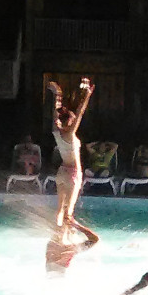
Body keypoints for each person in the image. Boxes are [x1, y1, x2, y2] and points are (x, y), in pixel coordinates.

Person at [49, 78, 95, 229]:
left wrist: (57, 95)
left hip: (61, 172)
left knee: (60, 209)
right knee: (69, 212)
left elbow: (55, 114)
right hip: (73, 174)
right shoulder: (69, 134)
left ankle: (58, 234)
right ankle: (64, 236)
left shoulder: (56, 132)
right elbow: (80, 112)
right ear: (70, 121)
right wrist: (87, 95)